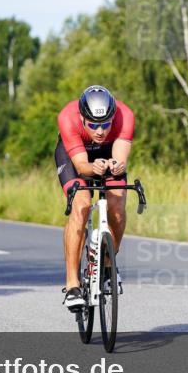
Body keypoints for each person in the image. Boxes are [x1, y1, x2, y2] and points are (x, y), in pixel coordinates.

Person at [56, 85, 134, 310]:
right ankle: (72, 285)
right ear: (82, 118)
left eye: (105, 124)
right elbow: (81, 166)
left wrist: (115, 166)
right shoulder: (67, 117)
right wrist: (92, 167)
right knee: (81, 207)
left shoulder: (125, 115)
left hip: (107, 154)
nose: (100, 131)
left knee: (117, 206)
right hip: (76, 156)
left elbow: (119, 159)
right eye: (93, 125)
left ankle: (108, 266)